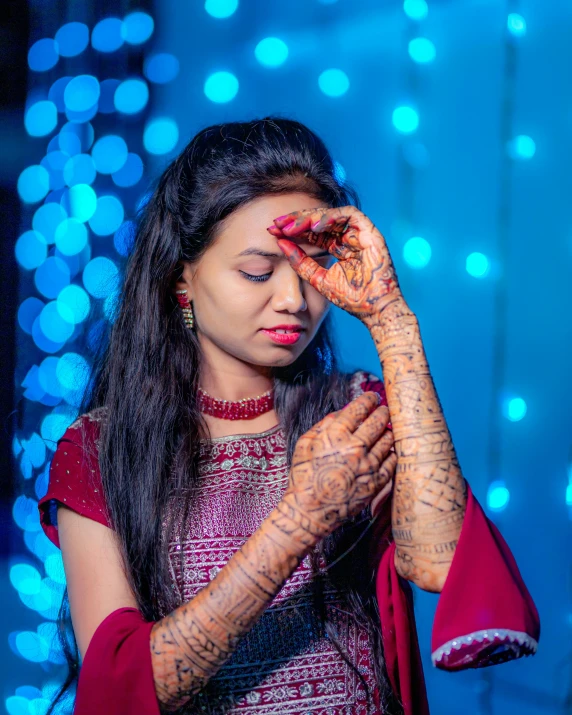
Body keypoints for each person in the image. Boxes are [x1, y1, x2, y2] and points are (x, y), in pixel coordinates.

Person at [38, 117, 540, 715]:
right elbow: (118, 689)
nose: (295, 300)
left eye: (310, 268)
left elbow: (440, 565)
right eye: (256, 272)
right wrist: (302, 517)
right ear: (182, 279)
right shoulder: (101, 447)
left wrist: (391, 322)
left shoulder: (356, 410)